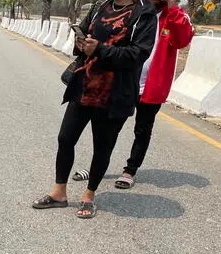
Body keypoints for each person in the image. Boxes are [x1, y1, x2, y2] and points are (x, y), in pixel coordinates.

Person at [32, 0, 157, 219]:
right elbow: (84, 30)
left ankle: (89, 195)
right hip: (84, 87)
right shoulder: (101, 5)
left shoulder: (144, 13)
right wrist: (80, 43)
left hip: (114, 95)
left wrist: (99, 49)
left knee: (102, 147)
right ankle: (59, 192)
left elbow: (138, 55)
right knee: (65, 139)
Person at [71, 0, 194, 189]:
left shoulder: (173, 15)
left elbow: (182, 40)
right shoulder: (135, 10)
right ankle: (95, 169)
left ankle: (130, 170)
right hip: (122, 83)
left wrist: (172, 8)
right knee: (109, 130)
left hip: (151, 86)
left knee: (143, 129)